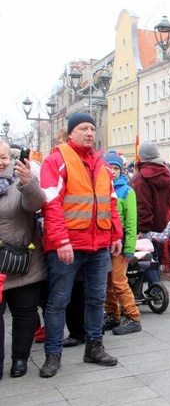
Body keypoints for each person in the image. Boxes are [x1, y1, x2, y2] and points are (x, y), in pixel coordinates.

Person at [38, 113, 123, 378]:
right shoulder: (56, 160)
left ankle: (94, 347)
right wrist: (61, 240)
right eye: (83, 128)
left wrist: (116, 234)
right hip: (68, 246)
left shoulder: (101, 164)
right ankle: (53, 355)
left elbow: (111, 203)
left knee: (96, 299)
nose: (89, 132)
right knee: (58, 302)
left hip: (98, 245)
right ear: (71, 132)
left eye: (92, 128)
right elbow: (51, 204)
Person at [0, 140, 46, 379]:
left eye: (4, 157)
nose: (0, 162)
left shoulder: (21, 179)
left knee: (25, 312)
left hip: (22, 260)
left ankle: (20, 358)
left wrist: (29, 183)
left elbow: (36, 203)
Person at [103, 151, 141, 335]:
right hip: (105, 242)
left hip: (121, 241)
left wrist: (129, 249)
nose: (112, 171)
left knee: (119, 281)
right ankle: (113, 314)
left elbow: (132, 222)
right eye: (109, 167)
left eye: (116, 168)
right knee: (108, 283)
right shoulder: (102, 188)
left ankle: (133, 317)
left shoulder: (127, 191)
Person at [130, 141, 170, 285]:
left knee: (146, 258)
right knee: (154, 256)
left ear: (141, 156)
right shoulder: (167, 173)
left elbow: (142, 206)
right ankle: (155, 289)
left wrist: (144, 229)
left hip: (145, 226)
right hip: (162, 222)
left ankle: (155, 289)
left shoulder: (141, 178)